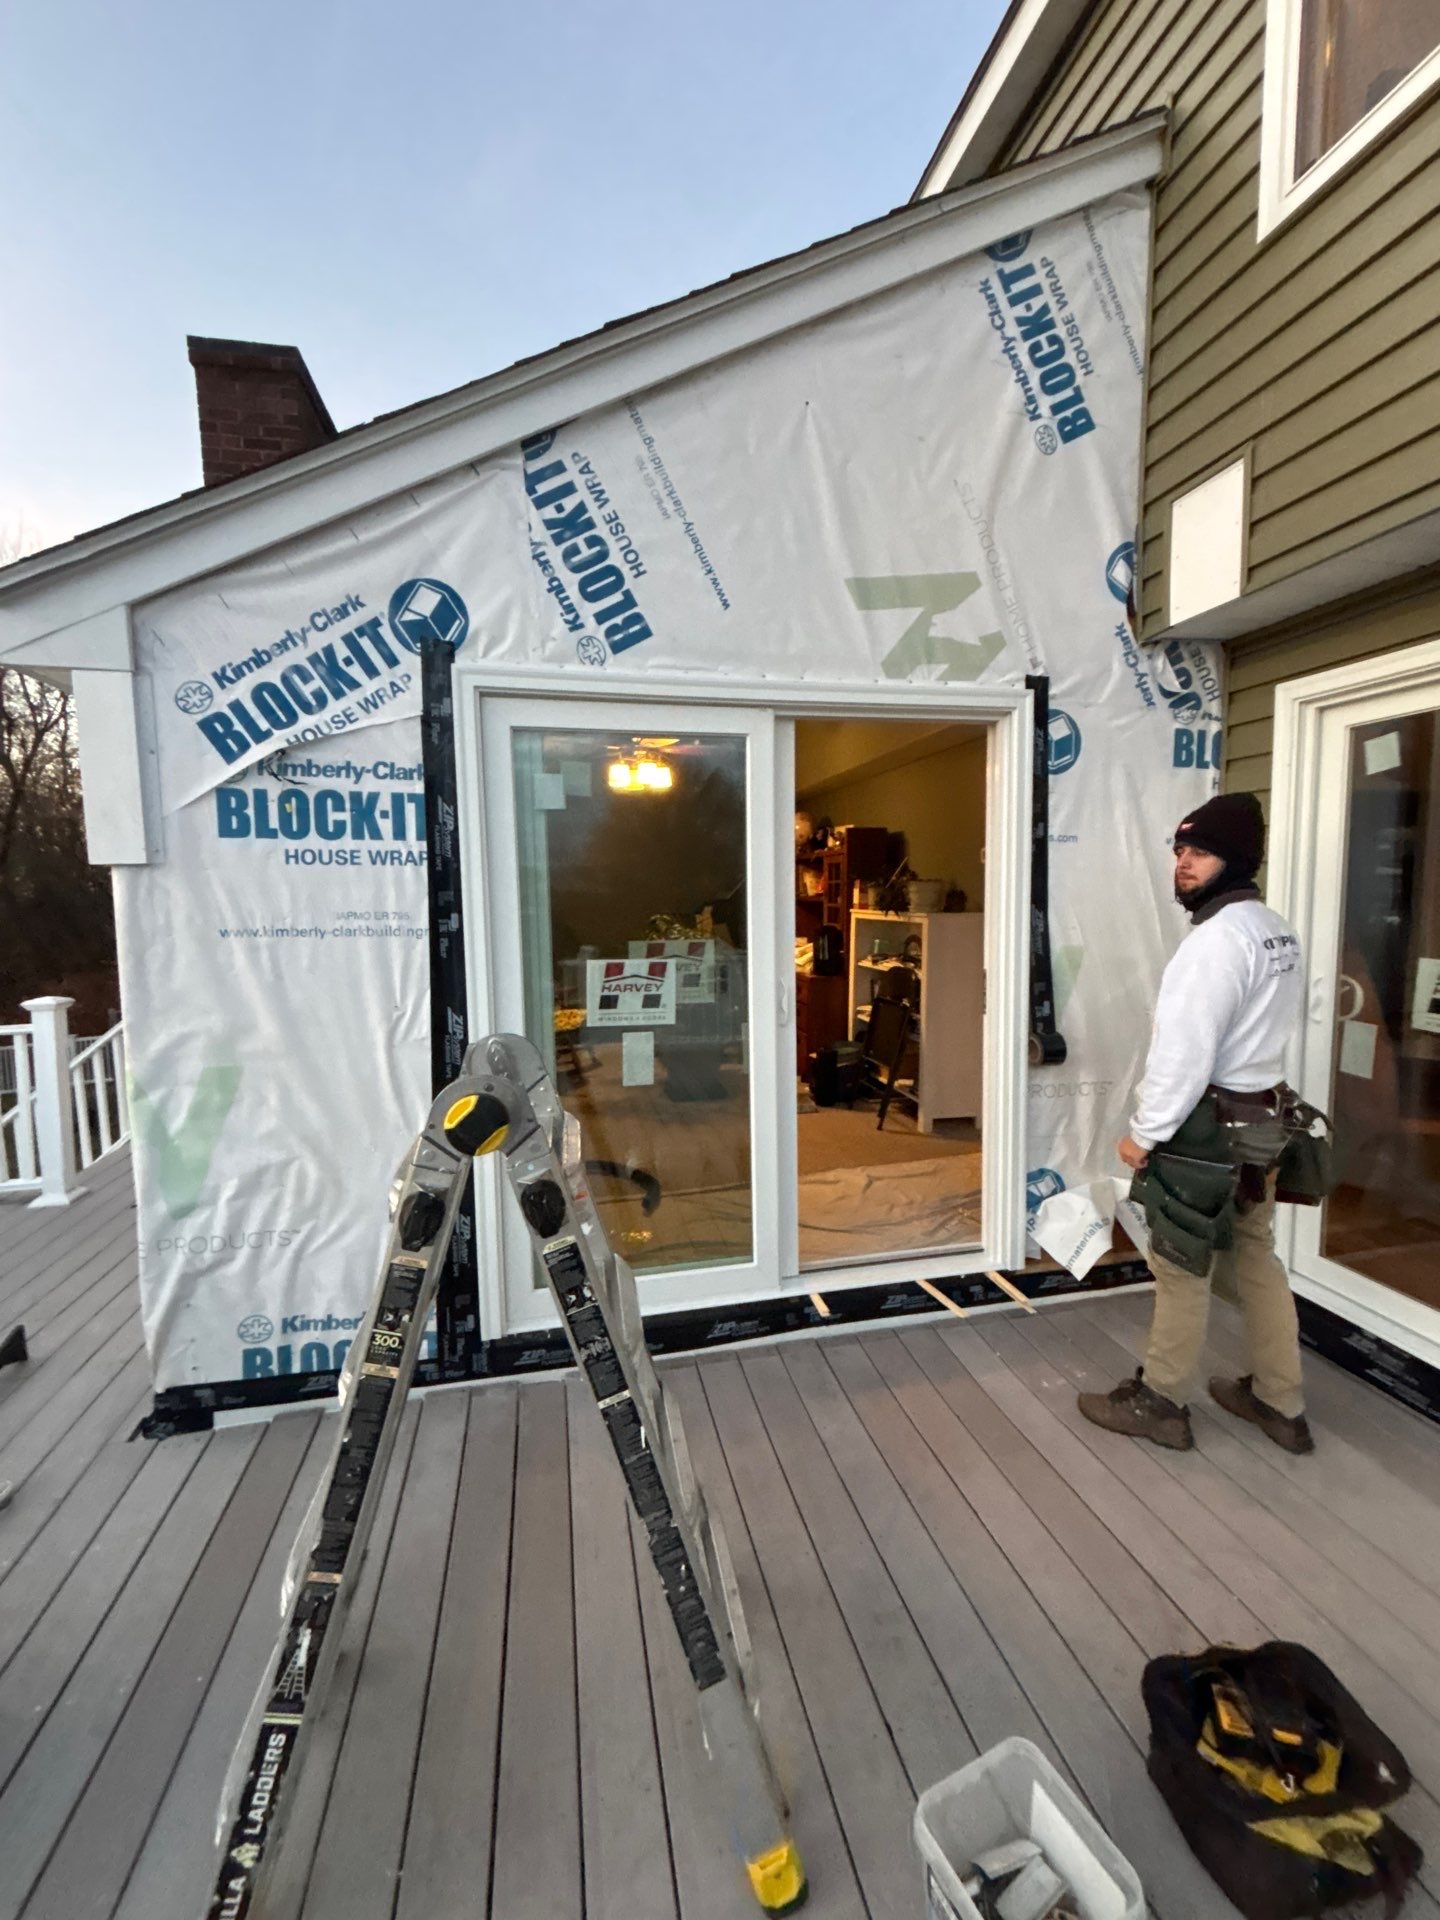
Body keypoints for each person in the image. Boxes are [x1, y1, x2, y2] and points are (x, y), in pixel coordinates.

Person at [1078, 791, 1315, 1455]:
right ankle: (1281, 1401)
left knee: (1182, 1264)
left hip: (1208, 1133)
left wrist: (1143, 1135)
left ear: (1234, 859)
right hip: (1263, 1122)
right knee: (1257, 1258)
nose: (1182, 863)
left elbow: (1184, 1057)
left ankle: (1161, 1401)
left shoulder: (1214, 944)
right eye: (1179, 850)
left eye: (1199, 852)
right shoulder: (1276, 931)